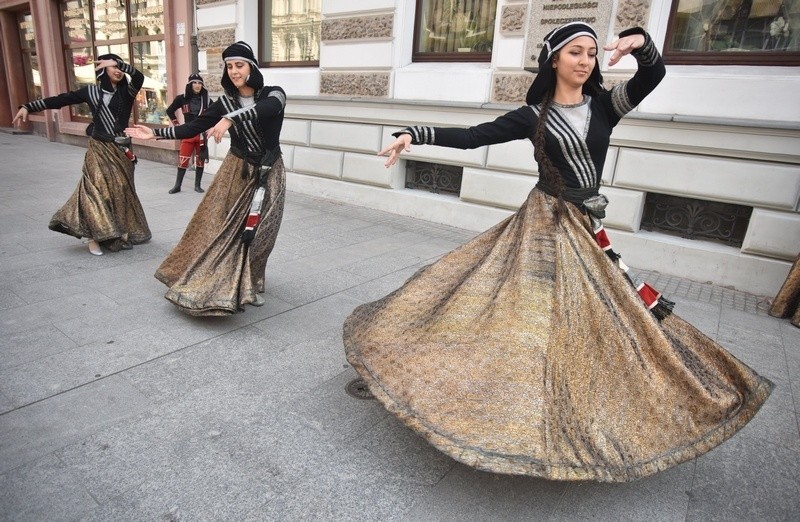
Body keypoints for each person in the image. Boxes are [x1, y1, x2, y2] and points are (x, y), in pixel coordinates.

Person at [342, 23, 773, 482]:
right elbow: (475, 135)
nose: (585, 60)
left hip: (585, 226)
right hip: (543, 225)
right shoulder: (533, 116)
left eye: (591, 53)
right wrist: (414, 133)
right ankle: (509, 402)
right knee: (517, 310)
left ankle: (577, 394)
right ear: (554, 60)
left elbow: (654, 74)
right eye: (575, 52)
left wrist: (640, 43)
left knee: (596, 312)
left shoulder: (607, 106)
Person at [125, 41, 286, 316]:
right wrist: (156, 134)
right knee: (228, 230)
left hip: (269, 172)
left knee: (263, 232)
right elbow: (193, 126)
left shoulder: (275, 94)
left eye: (240, 65)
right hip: (237, 171)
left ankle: (253, 279)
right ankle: (229, 282)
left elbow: (267, 109)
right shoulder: (223, 102)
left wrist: (231, 119)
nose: (234, 71)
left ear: (252, 67)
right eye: (230, 66)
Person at [12, 55, 151, 256]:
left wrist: (119, 65)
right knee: (95, 190)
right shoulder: (91, 92)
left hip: (121, 149)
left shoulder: (127, 92)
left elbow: (138, 77)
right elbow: (61, 100)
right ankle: (92, 237)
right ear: (102, 71)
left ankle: (116, 232)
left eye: (118, 66)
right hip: (98, 148)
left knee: (120, 191)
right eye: (112, 67)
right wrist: (28, 106)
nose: (117, 70)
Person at [165, 73, 211, 194]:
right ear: (190, 84)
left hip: (201, 134)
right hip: (188, 133)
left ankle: (197, 185)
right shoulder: (182, 98)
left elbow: (215, 113)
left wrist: (211, 127)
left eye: (200, 83)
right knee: (183, 159)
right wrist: (177, 126)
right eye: (195, 82)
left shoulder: (206, 99)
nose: (197, 85)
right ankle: (177, 185)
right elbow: (169, 111)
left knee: (200, 160)